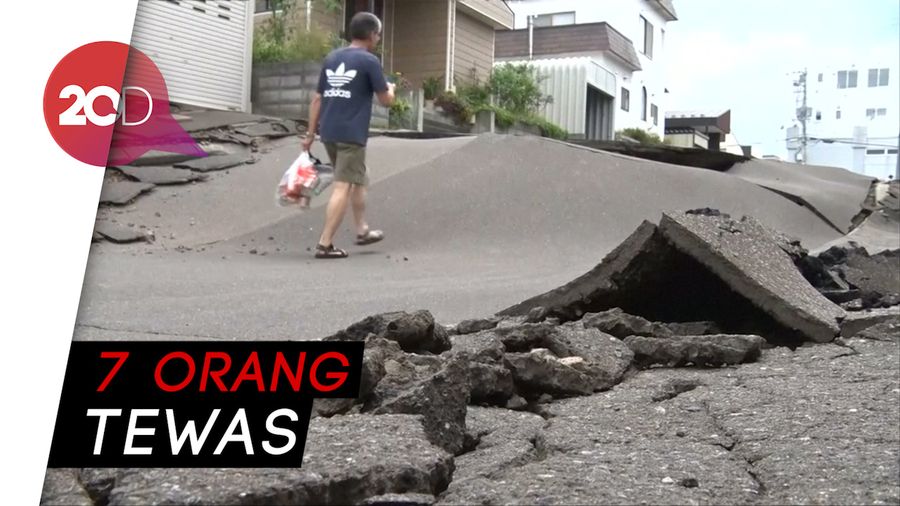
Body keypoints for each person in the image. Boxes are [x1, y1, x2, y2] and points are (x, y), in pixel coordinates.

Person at [302, 11, 395, 259]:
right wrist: (392, 89)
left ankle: (362, 229)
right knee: (343, 185)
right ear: (373, 35)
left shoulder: (332, 58)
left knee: (359, 177)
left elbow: (317, 98)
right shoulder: (369, 61)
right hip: (351, 134)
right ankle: (325, 244)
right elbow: (386, 100)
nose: (378, 38)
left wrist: (310, 134)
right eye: (378, 34)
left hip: (329, 132)